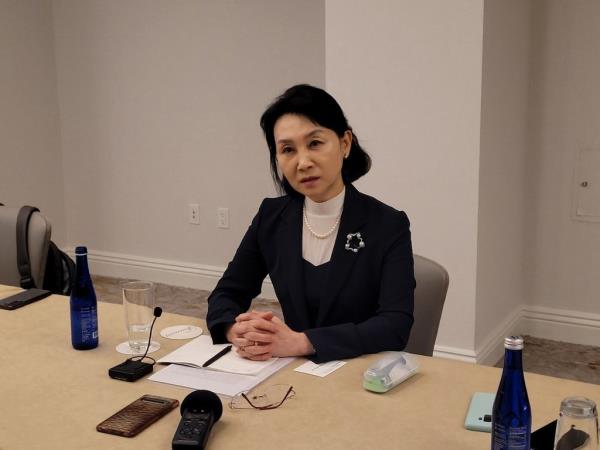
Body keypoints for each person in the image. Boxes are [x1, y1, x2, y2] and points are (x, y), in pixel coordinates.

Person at [206, 84, 415, 363]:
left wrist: (301, 342)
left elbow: (395, 325)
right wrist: (237, 330)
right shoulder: (271, 216)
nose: (302, 162)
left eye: (315, 143)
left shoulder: (388, 224)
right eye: (288, 150)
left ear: (345, 143)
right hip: (289, 370)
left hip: (359, 371)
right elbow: (228, 292)